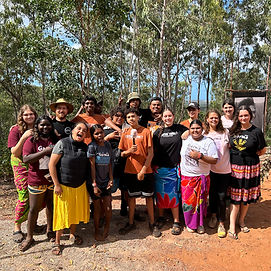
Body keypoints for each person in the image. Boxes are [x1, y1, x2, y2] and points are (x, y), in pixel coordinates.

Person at [118, 108, 161, 237]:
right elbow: (122, 153)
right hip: (130, 171)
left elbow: (150, 153)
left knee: (148, 197)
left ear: (138, 117)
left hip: (145, 170)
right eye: (129, 117)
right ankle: (131, 223)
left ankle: (152, 223)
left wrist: (143, 169)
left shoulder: (146, 132)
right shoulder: (125, 133)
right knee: (131, 198)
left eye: (133, 116)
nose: (131, 118)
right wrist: (129, 151)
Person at [49, 122, 90, 255]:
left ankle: (72, 234)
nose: (81, 132)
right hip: (63, 186)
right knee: (61, 214)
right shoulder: (62, 143)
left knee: (75, 212)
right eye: (79, 129)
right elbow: (52, 165)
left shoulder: (85, 147)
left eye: (84, 131)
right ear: (72, 131)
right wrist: (56, 184)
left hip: (79, 186)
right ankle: (57, 242)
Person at [228, 106, 266, 240]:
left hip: (250, 167)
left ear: (250, 116)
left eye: (246, 115)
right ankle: (232, 225)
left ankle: (241, 221)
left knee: (246, 196)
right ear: (237, 117)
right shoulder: (232, 131)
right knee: (235, 196)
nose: (243, 118)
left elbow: (262, 150)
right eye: (241, 116)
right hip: (235, 167)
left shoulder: (256, 132)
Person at [20, 115, 57, 251]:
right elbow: (26, 158)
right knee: (34, 209)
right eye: (42, 125)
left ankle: (50, 230)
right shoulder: (32, 140)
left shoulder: (55, 139)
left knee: (51, 206)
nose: (45, 127)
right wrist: (46, 151)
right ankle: (29, 237)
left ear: (51, 126)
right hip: (36, 180)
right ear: (37, 126)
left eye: (48, 125)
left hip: (51, 180)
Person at [152, 109, 188, 235]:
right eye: (165, 116)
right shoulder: (158, 132)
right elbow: (152, 149)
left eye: (170, 116)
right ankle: (161, 217)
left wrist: (187, 133)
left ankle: (176, 221)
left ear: (173, 116)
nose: (167, 118)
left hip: (173, 168)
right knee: (160, 195)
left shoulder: (180, 129)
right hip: (159, 169)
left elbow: (193, 130)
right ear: (162, 118)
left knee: (173, 194)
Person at [180, 120, 218, 234]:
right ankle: (190, 223)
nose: (195, 130)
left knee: (201, 202)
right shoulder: (185, 139)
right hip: (187, 177)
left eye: (198, 128)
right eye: (192, 128)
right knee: (188, 203)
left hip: (201, 177)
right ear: (189, 129)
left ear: (202, 129)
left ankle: (200, 224)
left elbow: (214, 160)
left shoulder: (208, 142)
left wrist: (200, 156)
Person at [7, 105, 38, 243]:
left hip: (33, 162)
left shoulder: (38, 127)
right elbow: (14, 152)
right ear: (21, 116)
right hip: (20, 163)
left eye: (31, 114)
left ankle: (32, 224)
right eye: (26, 115)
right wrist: (24, 136)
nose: (29, 116)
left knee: (37, 195)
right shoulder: (15, 130)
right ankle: (17, 227)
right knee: (24, 195)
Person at [204, 109, 231, 238]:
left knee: (222, 196)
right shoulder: (205, 133)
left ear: (219, 119)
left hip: (225, 170)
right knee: (212, 195)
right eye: (211, 118)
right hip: (210, 170)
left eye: (216, 118)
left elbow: (232, 147)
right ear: (207, 119)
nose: (214, 120)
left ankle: (221, 222)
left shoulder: (225, 132)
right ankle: (213, 216)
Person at [87, 124, 113, 241]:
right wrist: (94, 185)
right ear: (92, 136)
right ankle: (97, 230)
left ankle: (107, 227)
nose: (99, 135)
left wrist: (111, 179)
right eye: (96, 134)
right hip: (96, 183)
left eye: (101, 132)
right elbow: (91, 167)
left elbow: (110, 164)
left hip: (106, 181)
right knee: (97, 208)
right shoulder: (92, 147)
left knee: (107, 206)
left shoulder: (107, 145)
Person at [104, 107, 127, 215]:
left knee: (125, 188)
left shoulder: (127, 130)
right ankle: (107, 212)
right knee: (109, 190)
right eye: (117, 115)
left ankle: (124, 208)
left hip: (125, 164)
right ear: (112, 117)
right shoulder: (105, 131)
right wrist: (108, 137)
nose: (119, 118)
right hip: (109, 166)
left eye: (122, 116)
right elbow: (97, 146)